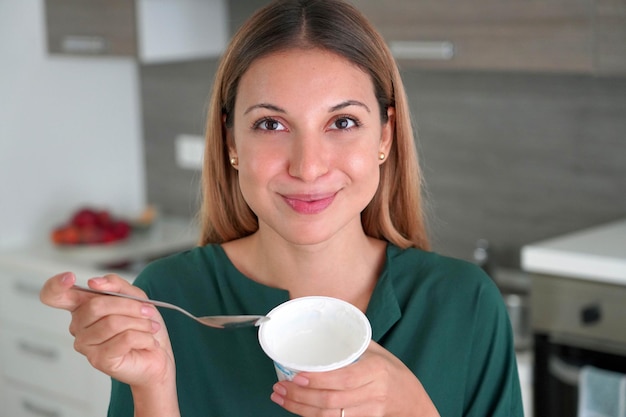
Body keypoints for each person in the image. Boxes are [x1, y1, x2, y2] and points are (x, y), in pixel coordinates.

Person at [40, 0, 524, 416]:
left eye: (343, 121)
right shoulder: (168, 299)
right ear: (231, 141)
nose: (308, 166)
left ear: (385, 135)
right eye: (272, 125)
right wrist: (153, 391)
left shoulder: (465, 303)